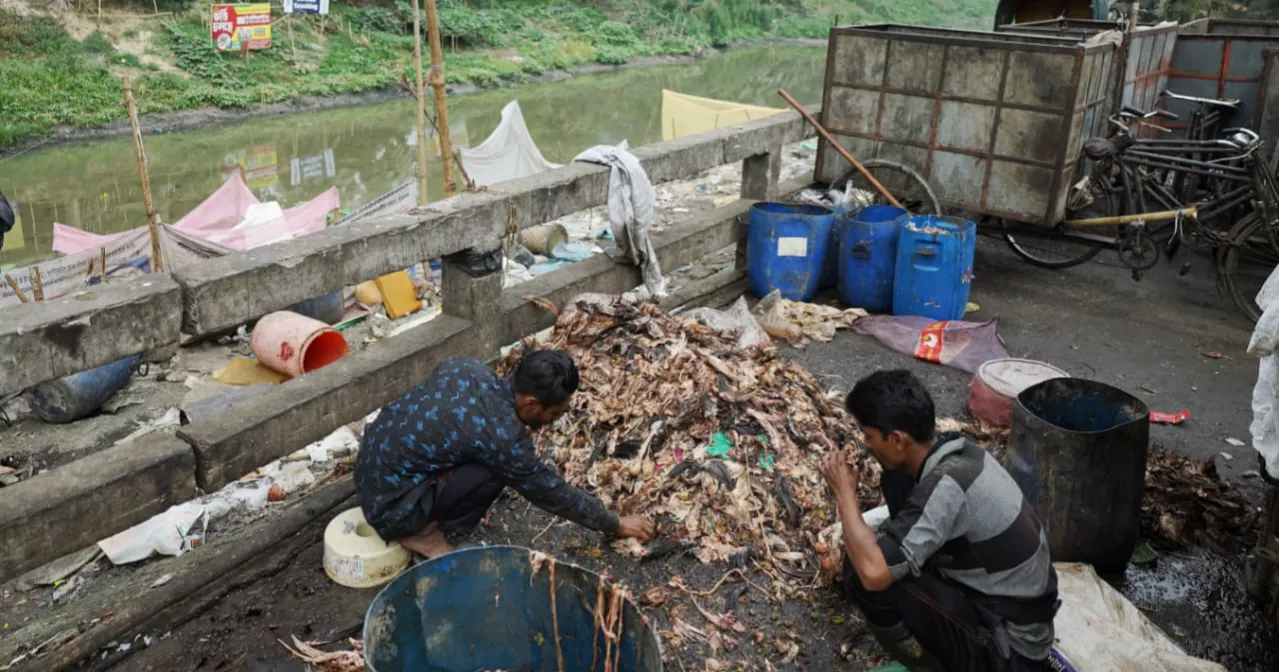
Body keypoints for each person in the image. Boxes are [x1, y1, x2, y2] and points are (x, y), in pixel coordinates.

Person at [821, 370, 1058, 672]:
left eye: (869, 436)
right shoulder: (956, 453)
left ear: (896, 439)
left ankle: (929, 666)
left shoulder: (947, 485)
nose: (865, 444)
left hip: (1012, 650)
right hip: (1002, 609)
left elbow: (874, 572)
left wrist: (844, 494)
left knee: (861, 572)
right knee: (896, 483)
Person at [356, 350, 655, 558]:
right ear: (530, 404)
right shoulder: (503, 439)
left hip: (371, 466)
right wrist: (614, 523)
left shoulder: (468, 368)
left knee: (486, 457)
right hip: (392, 508)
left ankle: (417, 512)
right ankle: (418, 534)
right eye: (553, 414)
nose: (551, 422)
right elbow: (550, 491)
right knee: (495, 472)